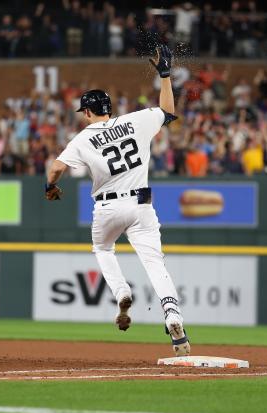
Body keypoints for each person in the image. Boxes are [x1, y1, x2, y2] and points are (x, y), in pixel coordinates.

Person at [44, 45, 190, 357]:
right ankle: (173, 314)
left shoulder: (83, 138)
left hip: (108, 208)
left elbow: (56, 168)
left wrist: (50, 187)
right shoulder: (136, 121)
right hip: (141, 205)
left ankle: (122, 292)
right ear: (109, 108)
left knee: (102, 248)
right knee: (154, 263)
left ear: (86, 113)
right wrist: (165, 76)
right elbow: (168, 111)